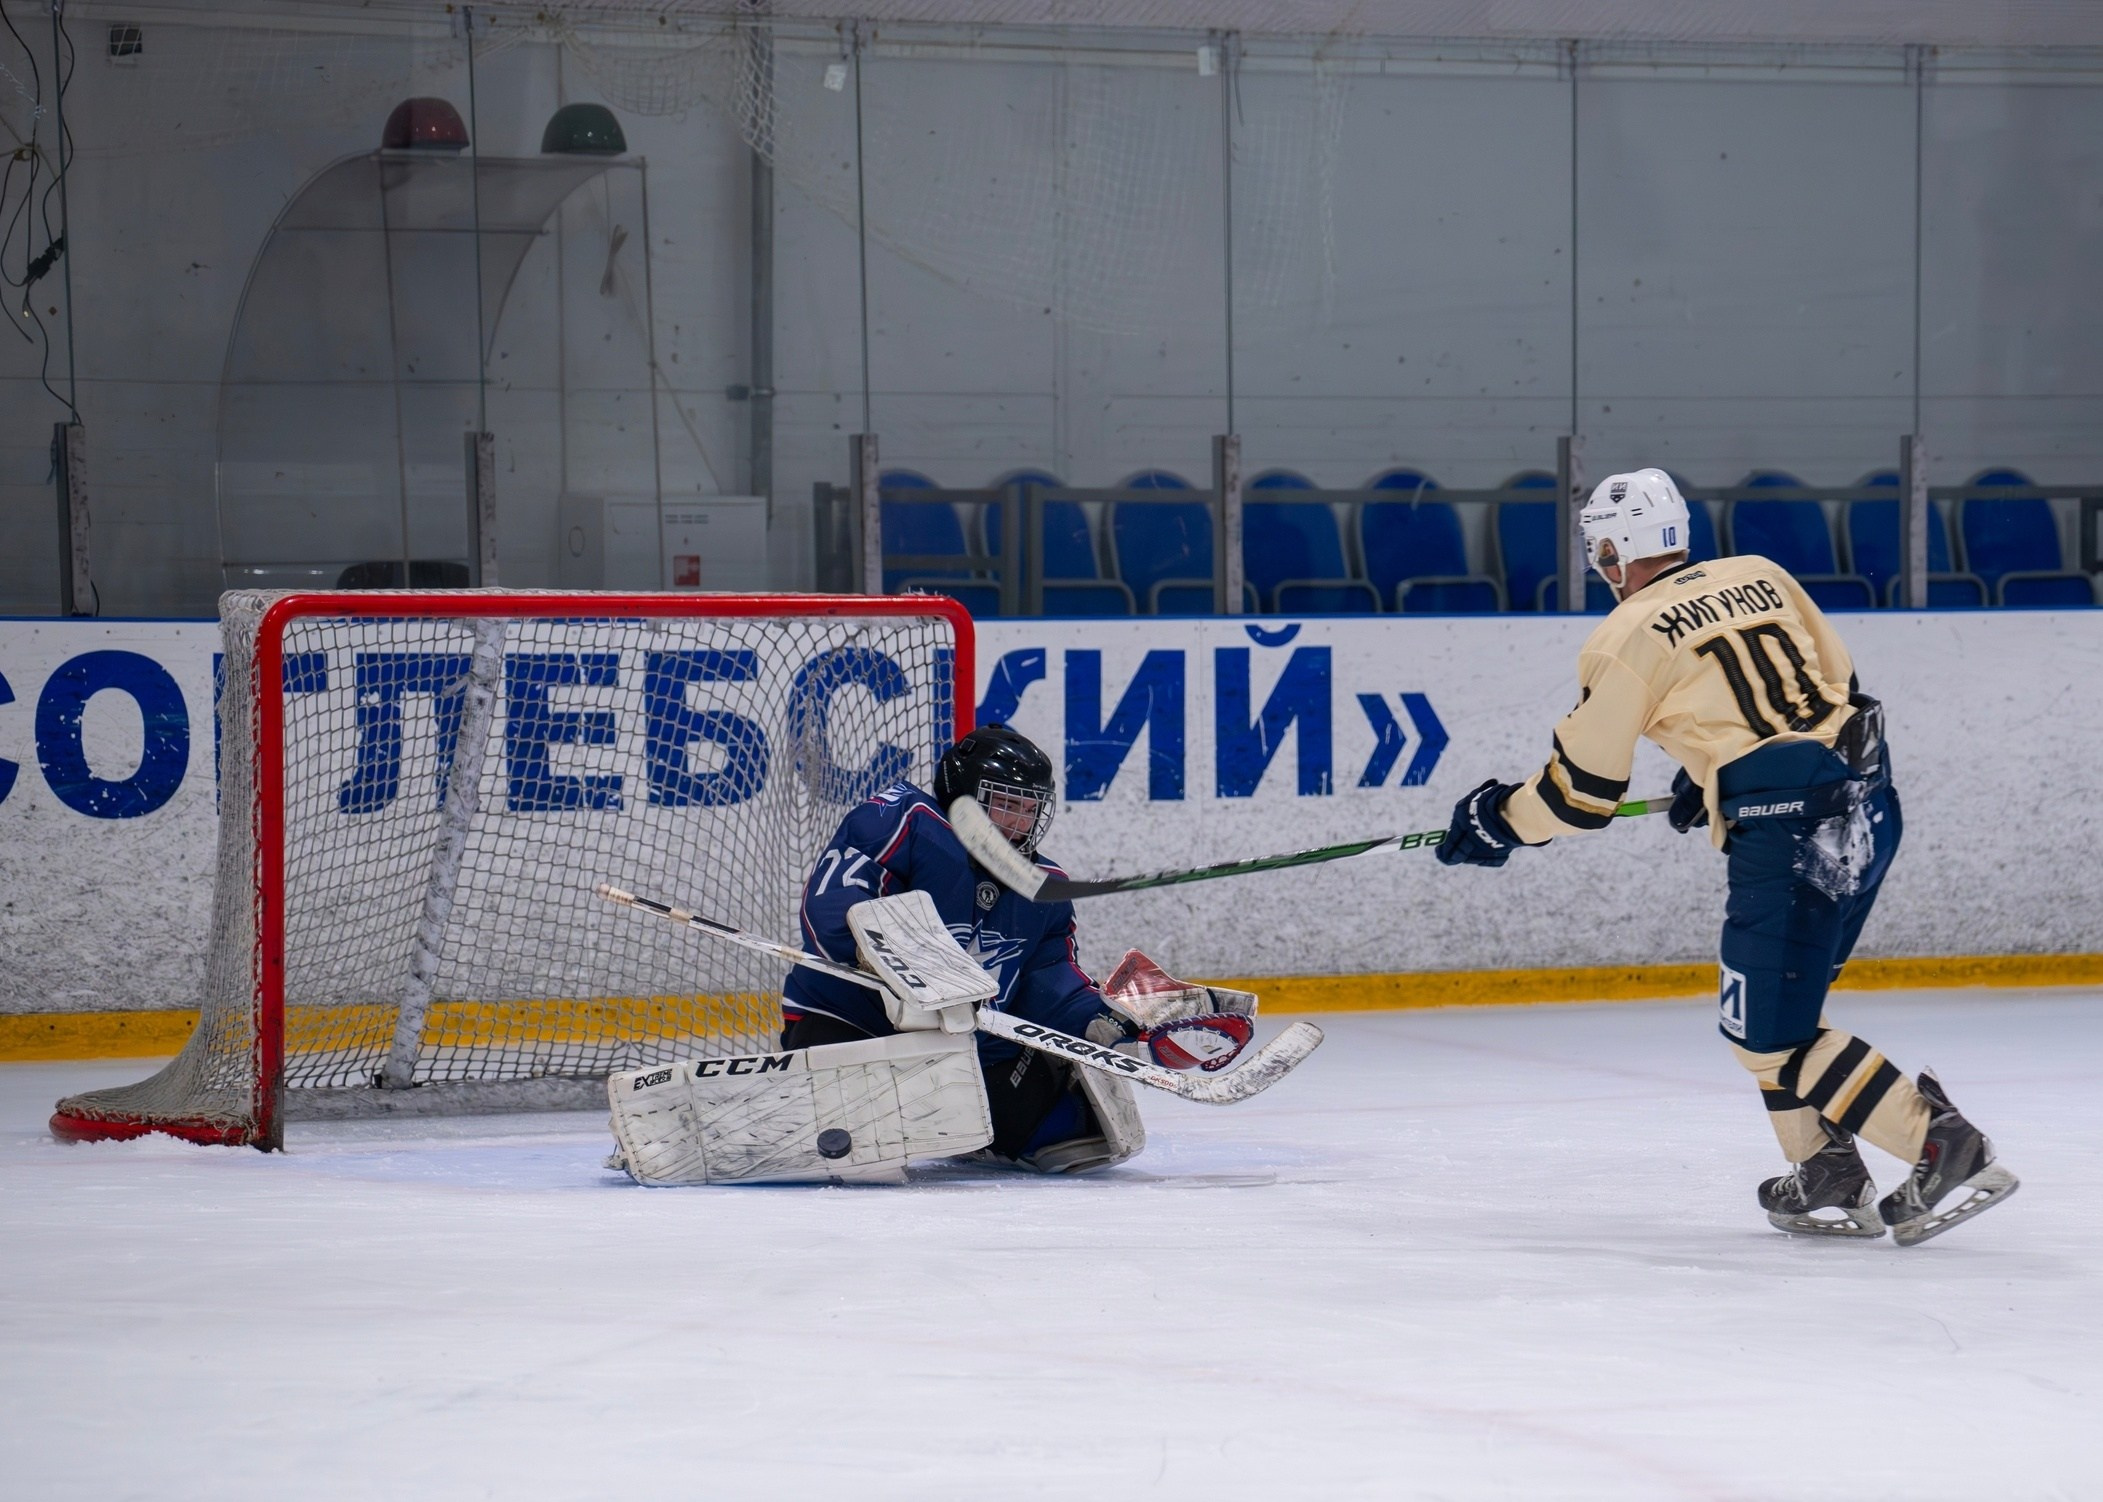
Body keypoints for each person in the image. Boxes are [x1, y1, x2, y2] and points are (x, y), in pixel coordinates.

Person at [1434, 469, 2017, 1245]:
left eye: (1596, 550)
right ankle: (1825, 1168)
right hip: (1869, 801)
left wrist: (1495, 821)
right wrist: (1712, 770)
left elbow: (1580, 797)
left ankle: (1940, 1145)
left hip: (1793, 838)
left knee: (1764, 1034)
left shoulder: (1623, 638)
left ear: (1611, 550)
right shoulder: (1759, 575)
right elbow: (1830, 684)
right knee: (1786, 1010)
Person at [782, 722, 1253, 1174]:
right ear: (963, 797)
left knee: (1072, 1136)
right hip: (856, 1024)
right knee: (850, 1148)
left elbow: (1047, 983)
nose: (1021, 822)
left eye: (1031, 809)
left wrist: (1109, 1022)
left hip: (961, 1048)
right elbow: (831, 910)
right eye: (1007, 804)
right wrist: (907, 970)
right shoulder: (904, 819)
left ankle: (972, 1126)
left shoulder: (1045, 888)